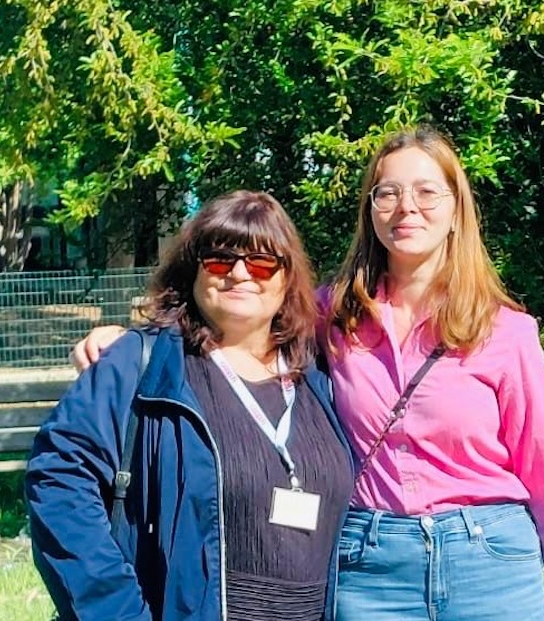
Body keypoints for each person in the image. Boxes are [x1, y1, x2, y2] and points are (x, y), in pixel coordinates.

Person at [71, 126, 544, 620]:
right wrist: (133, 344)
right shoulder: (331, 317)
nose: (406, 207)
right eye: (388, 193)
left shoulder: (505, 332)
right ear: (370, 210)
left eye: (426, 192)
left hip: (487, 559)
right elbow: (237, 322)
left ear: (456, 209)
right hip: (371, 566)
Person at [26, 190, 355, 621]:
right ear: (192, 270)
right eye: (219, 260)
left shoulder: (320, 376)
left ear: (287, 277)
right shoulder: (141, 364)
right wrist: (118, 613)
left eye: (261, 262)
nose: (239, 273)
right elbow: (60, 484)